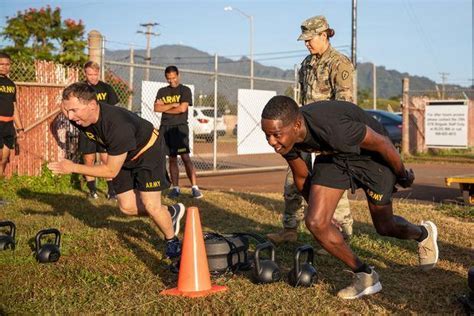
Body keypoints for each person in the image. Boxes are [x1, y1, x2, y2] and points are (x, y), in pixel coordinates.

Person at [261, 95, 438, 299]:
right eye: (267, 135)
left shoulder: (333, 127)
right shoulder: (286, 141)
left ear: (296, 125)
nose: (271, 142)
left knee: (385, 226)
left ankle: (423, 234)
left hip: (372, 158)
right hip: (334, 158)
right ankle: (365, 276)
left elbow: (382, 143)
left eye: (275, 135)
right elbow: (301, 176)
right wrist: (323, 212)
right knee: (316, 222)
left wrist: (402, 175)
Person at [48, 82, 185, 259]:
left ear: (92, 105)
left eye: (74, 110)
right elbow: (67, 107)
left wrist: (72, 167)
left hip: (147, 152)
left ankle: (172, 241)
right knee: (127, 207)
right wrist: (68, 108)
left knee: (151, 205)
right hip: (123, 154)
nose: (70, 116)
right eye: (67, 111)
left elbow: (111, 171)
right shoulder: (82, 116)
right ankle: (170, 212)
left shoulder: (116, 125)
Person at [267, 15, 354, 244]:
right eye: (304, 39)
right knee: (293, 180)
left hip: (328, 134)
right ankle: (289, 229)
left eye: (310, 38)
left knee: (333, 183)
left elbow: (345, 105)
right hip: (303, 131)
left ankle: (341, 234)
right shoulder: (306, 64)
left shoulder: (340, 63)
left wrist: (334, 138)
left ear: (324, 35)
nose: (307, 43)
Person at [154, 65, 203, 199]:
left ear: (178, 75)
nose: (171, 81)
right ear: (166, 77)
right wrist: (172, 105)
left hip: (179, 128)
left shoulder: (185, 90)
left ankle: (194, 187)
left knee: (186, 158)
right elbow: (156, 108)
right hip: (165, 127)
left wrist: (165, 107)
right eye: (169, 78)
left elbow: (182, 109)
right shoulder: (162, 91)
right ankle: (175, 188)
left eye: (174, 78)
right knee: (172, 159)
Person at [79, 61, 119, 200]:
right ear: (85, 73)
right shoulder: (80, 89)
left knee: (106, 160)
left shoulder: (106, 88)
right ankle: (92, 191)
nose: (93, 77)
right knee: (88, 160)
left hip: (103, 130)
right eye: (90, 74)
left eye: (95, 74)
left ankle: (112, 191)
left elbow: (114, 110)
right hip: (86, 129)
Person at [0, 52, 24, 178]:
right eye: (1, 64)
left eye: (7, 64)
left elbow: (14, 107)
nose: (4, 67)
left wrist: (20, 128)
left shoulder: (11, 84)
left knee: (4, 158)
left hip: (8, 125)